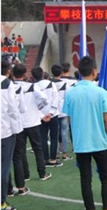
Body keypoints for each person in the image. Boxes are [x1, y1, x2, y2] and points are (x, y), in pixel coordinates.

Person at [63, 56, 107, 210]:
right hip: (99, 141)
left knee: (85, 179)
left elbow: (69, 119)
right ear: (94, 71)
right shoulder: (101, 92)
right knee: (106, 178)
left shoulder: (71, 93)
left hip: (81, 142)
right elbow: (106, 119)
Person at [12, 64, 52, 192]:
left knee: (20, 150)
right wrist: (39, 110)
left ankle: (25, 175)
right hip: (33, 121)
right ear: (25, 74)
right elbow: (44, 99)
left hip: (18, 123)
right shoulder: (31, 86)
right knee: (38, 148)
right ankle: (42, 173)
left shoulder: (10, 86)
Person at [31, 67, 63, 167]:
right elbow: (55, 98)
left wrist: (42, 115)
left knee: (43, 138)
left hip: (40, 116)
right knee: (54, 137)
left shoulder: (32, 86)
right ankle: (53, 159)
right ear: (43, 73)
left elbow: (33, 103)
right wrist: (51, 112)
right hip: (52, 114)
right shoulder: (51, 84)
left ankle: (45, 159)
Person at [1, 61, 22, 210]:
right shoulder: (5, 83)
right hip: (4, 132)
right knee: (3, 167)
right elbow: (12, 108)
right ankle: (1, 202)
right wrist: (17, 129)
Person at [51, 64, 73, 161]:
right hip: (63, 111)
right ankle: (64, 153)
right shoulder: (65, 85)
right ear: (61, 73)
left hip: (53, 111)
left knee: (54, 133)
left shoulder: (49, 84)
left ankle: (55, 153)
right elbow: (68, 98)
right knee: (64, 132)